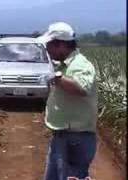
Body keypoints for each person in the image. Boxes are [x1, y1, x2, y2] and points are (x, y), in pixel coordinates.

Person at [37, 22, 98, 180]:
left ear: (61, 45)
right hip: (64, 136)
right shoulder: (65, 65)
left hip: (74, 140)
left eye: (49, 45)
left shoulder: (80, 65)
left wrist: (56, 77)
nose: (47, 50)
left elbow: (81, 88)